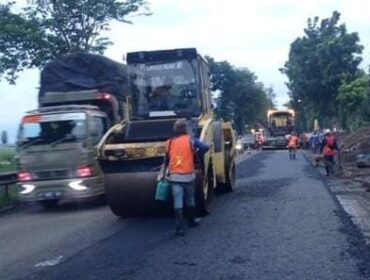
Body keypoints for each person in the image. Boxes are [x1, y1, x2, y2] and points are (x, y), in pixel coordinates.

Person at [164, 119, 210, 236]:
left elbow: (167, 159)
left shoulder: (168, 142)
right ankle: (191, 221)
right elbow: (205, 147)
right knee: (189, 198)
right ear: (186, 129)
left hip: (174, 176)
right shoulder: (191, 140)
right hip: (188, 175)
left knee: (177, 201)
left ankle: (179, 228)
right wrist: (196, 153)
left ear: (175, 130)